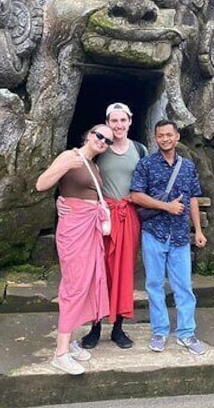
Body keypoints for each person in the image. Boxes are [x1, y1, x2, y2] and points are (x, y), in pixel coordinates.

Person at [35, 125, 114, 375]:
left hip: (90, 229)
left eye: (108, 140)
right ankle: (60, 354)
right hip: (74, 229)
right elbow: (42, 184)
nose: (102, 141)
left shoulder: (94, 165)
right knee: (74, 286)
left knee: (89, 283)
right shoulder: (70, 156)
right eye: (99, 135)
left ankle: (69, 341)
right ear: (88, 134)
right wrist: (65, 167)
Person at [130, 119, 208, 355]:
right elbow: (136, 196)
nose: (165, 139)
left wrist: (199, 230)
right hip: (154, 232)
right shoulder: (146, 164)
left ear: (177, 137)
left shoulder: (187, 167)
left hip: (180, 235)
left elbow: (193, 197)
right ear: (155, 139)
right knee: (154, 284)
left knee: (183, 285)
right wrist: (166, 207)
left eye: (168, 135)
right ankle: (160, 331)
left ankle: (186, 333)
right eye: (160, 135)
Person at [80, 102, 147, 350]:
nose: (118, 125)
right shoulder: (100, 148)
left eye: (123, 120)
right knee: (98, 272)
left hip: (127, 215)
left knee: (123, 272)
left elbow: (147, 182)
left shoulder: (139, 150)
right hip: (102, 216)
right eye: (113, 121)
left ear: (130, 121)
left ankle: (118, 327)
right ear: (107, 123)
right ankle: (95, 326)